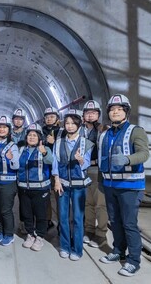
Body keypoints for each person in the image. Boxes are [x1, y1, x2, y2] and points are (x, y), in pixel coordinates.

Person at [98, 94, 149, 277]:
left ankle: (134, 260)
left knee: (129, 224)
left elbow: (144, 154)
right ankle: (118, 251)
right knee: (115, 222)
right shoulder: (104, 134)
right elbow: (102, 161)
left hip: (130, 185)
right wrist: (100, 182)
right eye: (112, 110)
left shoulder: (136, 131)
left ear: (126, 111)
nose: (115, 112)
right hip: (110, 185)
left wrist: (128, 159)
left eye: (119, 109)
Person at [52, 109, 93, 261]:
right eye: (67, 123)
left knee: (77, 218)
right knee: (63, 216)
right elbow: (55, 163)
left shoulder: (85, 143)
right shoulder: (58, 143)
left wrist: (81, 160)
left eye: (73, 123)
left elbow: (86, 164)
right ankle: (64, 246)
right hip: (62, 184)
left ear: (78, 125)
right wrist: (56, 180)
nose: (69, 126)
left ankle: (77, 249)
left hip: (79, 186)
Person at [17, 123, 53, 251]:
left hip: (40, 188)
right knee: (27, 213)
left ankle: (40, 236)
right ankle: (30, 234)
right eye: (29, 135)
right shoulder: (21, 150)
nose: (31, 137)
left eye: (34, 135)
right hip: (24, 188)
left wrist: (44, 153)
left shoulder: (45, 149)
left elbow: (51, 162)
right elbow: (16, 165)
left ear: (39, 138)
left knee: (40, 214)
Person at [0, 116, 20, 246]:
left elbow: (16, 165)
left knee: (6, 210)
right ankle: (0, 232)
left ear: (9, 130)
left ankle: (9, 234)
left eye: (4, 127)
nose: (2, 129)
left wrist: (11, 159)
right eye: (0, 127)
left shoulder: (12, 145)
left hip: (8, 183)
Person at [82, 100, 109, 248]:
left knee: (100, 204)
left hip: (97, 171)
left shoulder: (103, 130)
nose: (90, 115)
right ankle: (89, 230)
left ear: (98, 114)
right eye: (87, 112)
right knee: (88, 203)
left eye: (93, 113)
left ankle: (101, 234)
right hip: (83, 172)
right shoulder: (80, 130)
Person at [42, 107, 62, 231]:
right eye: (47, 117)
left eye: (52, 116)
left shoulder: (62, 132)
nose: (49, 119)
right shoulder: (41, 131)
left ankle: (61, 222)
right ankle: (47, 220)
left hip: (57, 170)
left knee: (59, 197)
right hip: (44, 168)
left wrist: (53, 143)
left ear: (57, 119)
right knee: (45, 197)